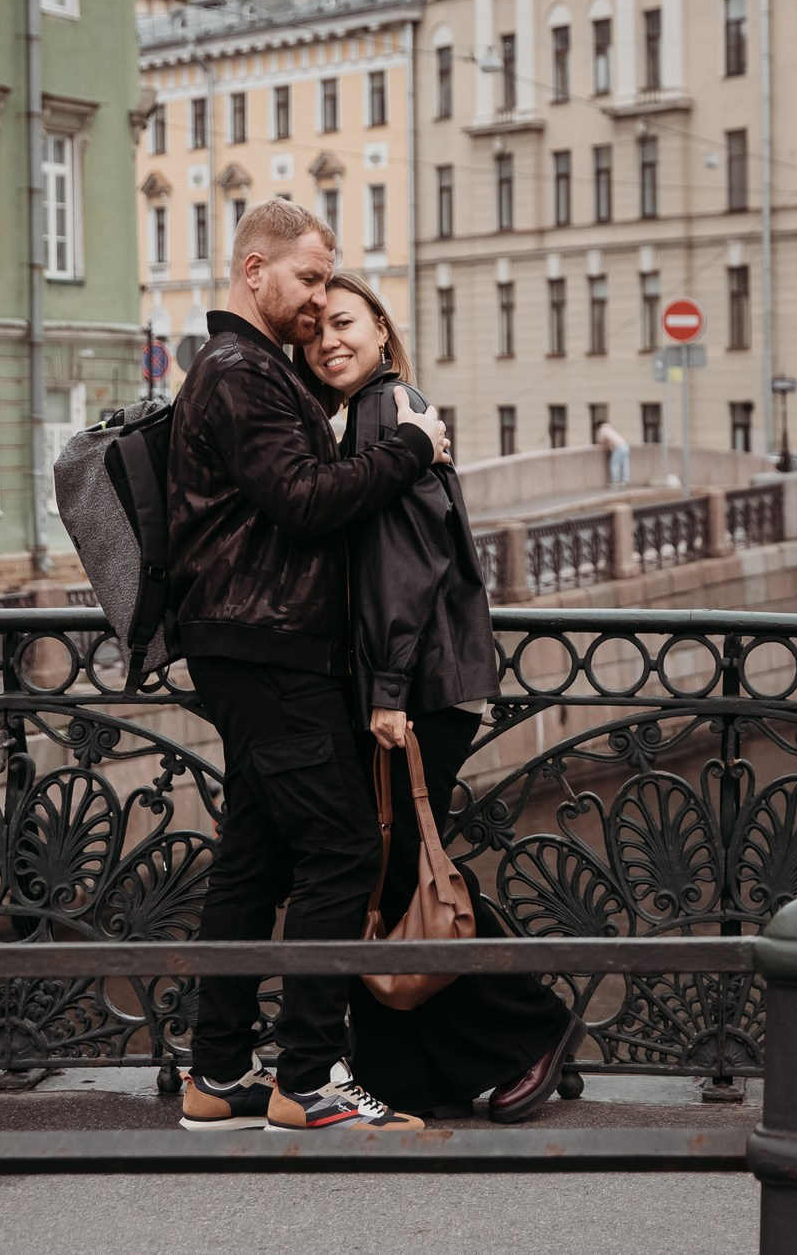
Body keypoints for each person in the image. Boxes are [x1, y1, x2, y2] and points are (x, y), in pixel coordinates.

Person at [170, 199, 451, 1136]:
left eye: (331, 282)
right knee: (343, 849)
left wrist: (364, 390)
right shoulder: (238, 370)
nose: (319, 296)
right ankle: (308, 1080)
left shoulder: (245, 372)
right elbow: (301, 496)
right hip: (266, 646)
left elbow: (286, 462)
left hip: (251, 643)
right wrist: (411, 444)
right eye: (308, 278)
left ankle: (215, 1072)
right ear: (255, 271)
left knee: (253, 861)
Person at [307, 273, 585, 1122]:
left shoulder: (386, 412)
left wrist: (386, 689)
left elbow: (406, 559)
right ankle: (406, 1070)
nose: (328, 341)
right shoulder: (383, 413)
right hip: (426, 675)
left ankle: (529, 1026)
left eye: (344, 322)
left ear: (383, 330)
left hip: (417, 683)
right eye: (314, 332)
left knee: (394, 873)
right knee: (391, 877)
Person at [596, 417, 630, 488]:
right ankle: (625, 481)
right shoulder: (610, 429)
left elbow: (600, 441)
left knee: (615, 464)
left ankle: (615, 482)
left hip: (618, 447)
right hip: (625, 445)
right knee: (624, 464)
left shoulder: (602, 429)